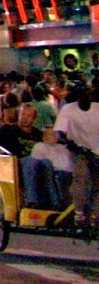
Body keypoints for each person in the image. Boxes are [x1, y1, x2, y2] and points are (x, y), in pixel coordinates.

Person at [57, 80, 99, 227]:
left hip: (96, 151)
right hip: (79, 150)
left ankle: (95, 215)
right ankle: (79, 213)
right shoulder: (68, 109)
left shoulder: (97, 109)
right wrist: (69, 143)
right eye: (83, 96)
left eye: (89, 95)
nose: (87, 98)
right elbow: (60, 131)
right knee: (81, 177)